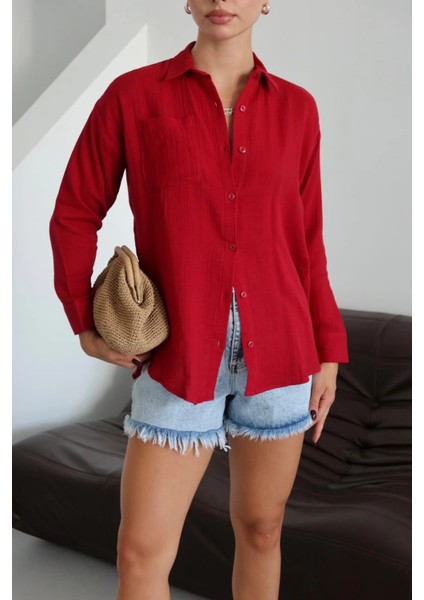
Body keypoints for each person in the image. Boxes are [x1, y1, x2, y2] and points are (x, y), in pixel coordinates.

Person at [49, 1, 349, 598]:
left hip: (283, 351)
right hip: (178, 355)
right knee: (140, 553)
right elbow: (75, 212)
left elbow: (307, 240)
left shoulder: (298, 108)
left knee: (262, 529)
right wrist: (84, 319)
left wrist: (329, 350)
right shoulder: (133, 97)